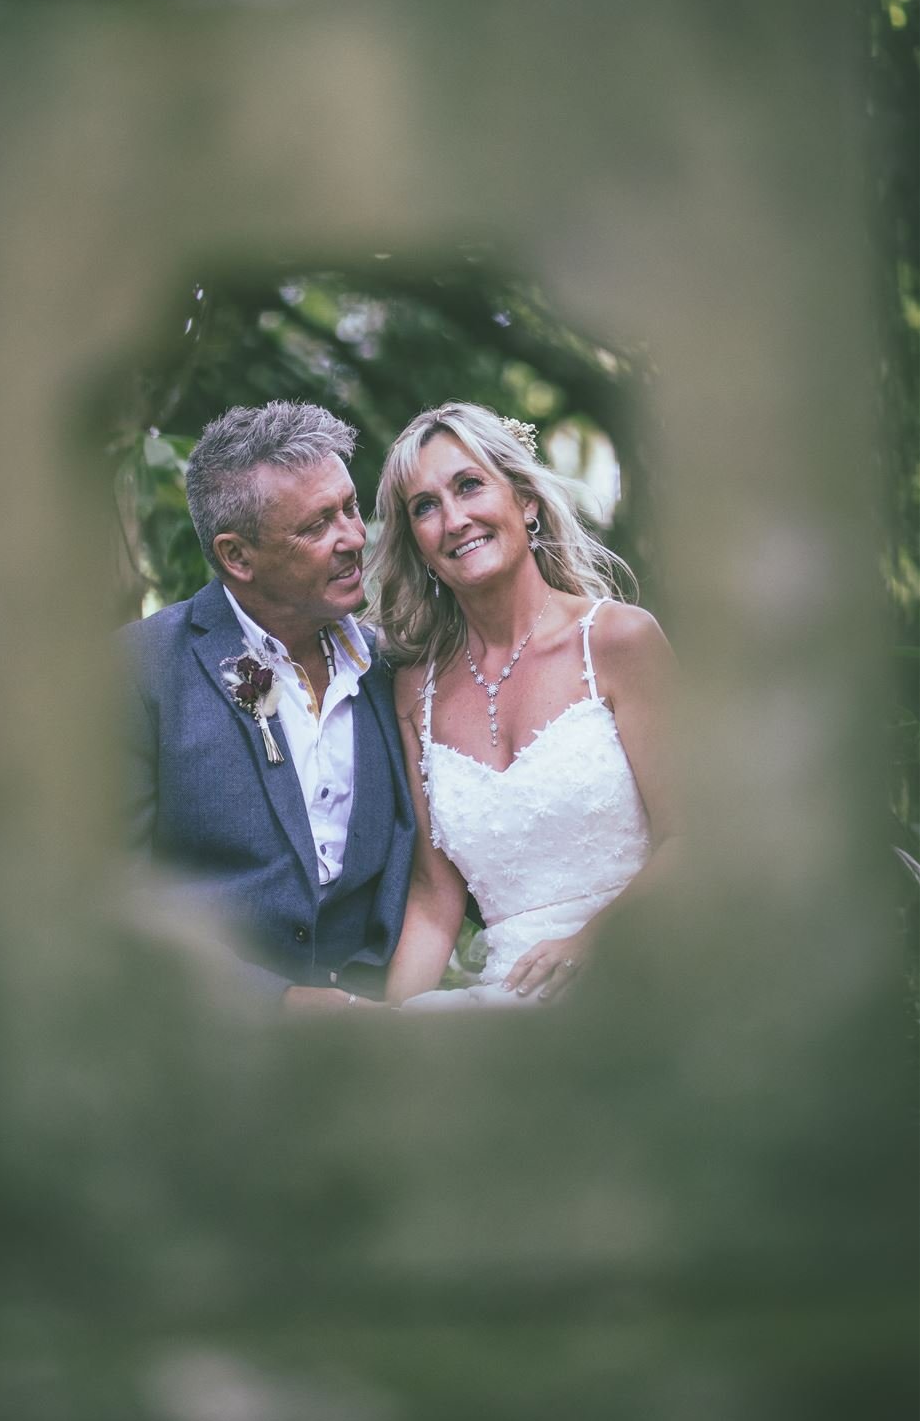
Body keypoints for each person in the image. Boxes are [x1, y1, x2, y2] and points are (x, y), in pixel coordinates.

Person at [368, 401, 679, 1008]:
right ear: (417, 544)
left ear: (526, 501)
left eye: (469, 485)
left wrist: (595, 941)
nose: (453, 519)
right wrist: (386, 1027)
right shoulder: (415, 692)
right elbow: (435, 901)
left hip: (645, 969)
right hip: (506, 999)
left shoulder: (618, 641)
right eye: (425, 507)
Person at [122, 401, 415, 1012]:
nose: (354, 538)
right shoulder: (141, 670)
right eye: (316, 526)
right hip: (204, 1049)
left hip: (383, 1042)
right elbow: (107, 893)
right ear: (238, 557)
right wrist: (275, 1003)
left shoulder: (397, 669)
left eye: (351, 508)